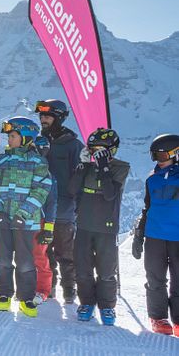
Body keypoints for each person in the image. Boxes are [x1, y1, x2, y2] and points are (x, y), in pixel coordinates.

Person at [0, 117, 52, 318]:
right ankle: (4, 295)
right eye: (9, 136)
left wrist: (23, 214)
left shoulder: (38, 162)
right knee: (3, 260)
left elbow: (42, 190)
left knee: (26, 262)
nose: (9, 139)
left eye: (13, 136)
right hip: (2, 221)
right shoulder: (1, 161)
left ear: (26, 138)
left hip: (26, 223)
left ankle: (25, 298)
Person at [69, 128, 130, 326]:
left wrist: (104, 167)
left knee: (106, 271)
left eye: (101, 149)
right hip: (85, 225)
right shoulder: (87, 166)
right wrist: (82, 166)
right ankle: (86, 303)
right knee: (83, 269)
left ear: (112, 150)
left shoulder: (120, 167)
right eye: (93, 149)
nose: (96, 153)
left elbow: (110, 193)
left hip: (106, 227)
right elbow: (72, 189)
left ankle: (107, 306)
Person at [36, 99, 83, 303]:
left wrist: (76, 202)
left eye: (47, 116)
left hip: (64, 208)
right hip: (39, 208)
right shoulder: (36, 142)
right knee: (44, 251)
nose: (43, 119)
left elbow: (80, 176)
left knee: (66, 253)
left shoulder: (73, 146)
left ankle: (69, 290)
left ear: (59, 118)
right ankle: (49, 287)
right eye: (41, 116)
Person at [132, 134, 179, 336]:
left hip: (177, 236)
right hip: (154, 236)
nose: (157, 160)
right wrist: (139, 234)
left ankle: (177, 320)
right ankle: (158, 317)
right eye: (155, 155)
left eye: (161, 155)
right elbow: (147, 208)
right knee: (155, 278)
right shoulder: (152, 179)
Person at [31, 136, 58, 306]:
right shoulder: (25, 170)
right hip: (25, 219)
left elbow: (52, 202)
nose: (40, 153)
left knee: (40, 256)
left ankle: (43, 290)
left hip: (39, 220)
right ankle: (26, 288)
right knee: (24, 257)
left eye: (43, 150)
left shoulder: (48, 175)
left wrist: (48, 228)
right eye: (36, 149)